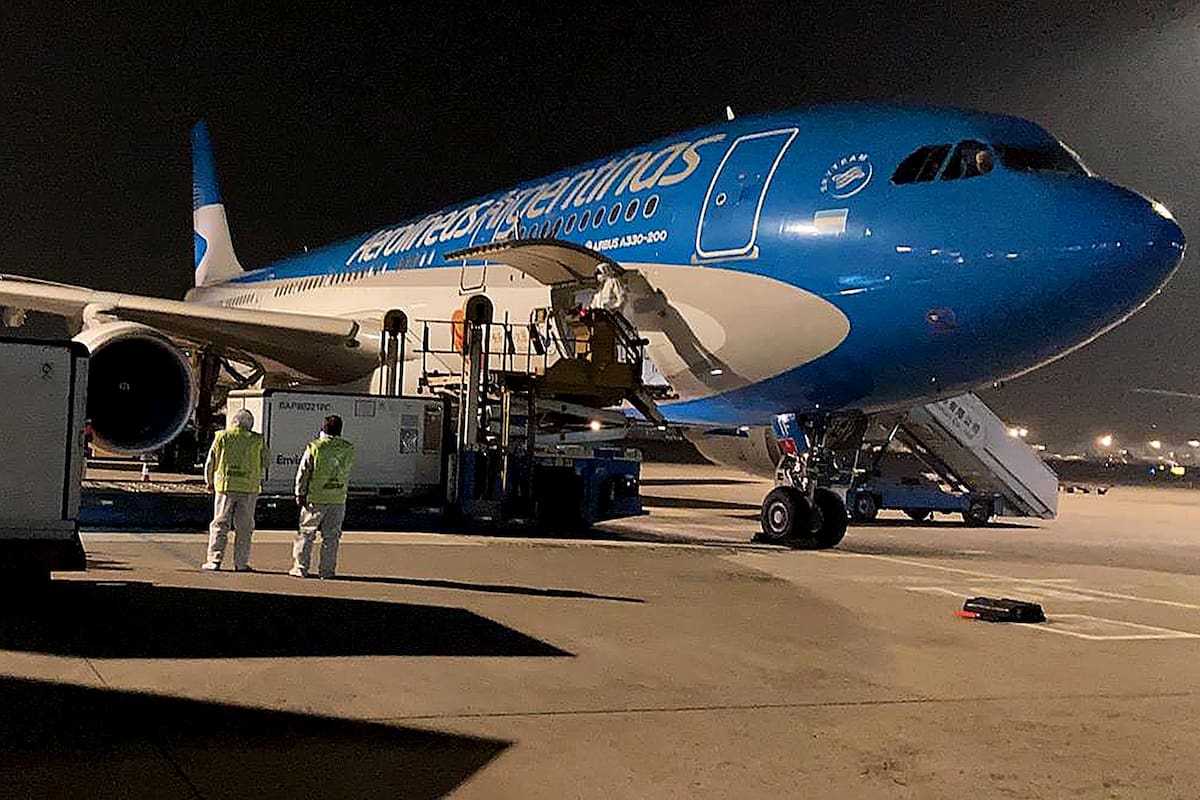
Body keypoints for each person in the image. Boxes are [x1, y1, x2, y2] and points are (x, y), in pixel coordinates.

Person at [201, 408, 268, 571]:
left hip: (225, 487)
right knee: (244, 528)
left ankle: (214, 560)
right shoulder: (257, 440)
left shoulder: (222, 437)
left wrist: (209, 481)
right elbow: (266, 462)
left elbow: (210, 462)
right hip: (249, 489)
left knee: (220, 524)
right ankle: (241, 563)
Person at [290, 414, 355, 579]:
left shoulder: (315, 447)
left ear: (323, 428)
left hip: (316, 497)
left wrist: (299, 492)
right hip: (338, 498)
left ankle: (300, 568)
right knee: (332, 537)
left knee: (306, 533)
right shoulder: (347, 448)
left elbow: (303, 472)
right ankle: (327, 571)